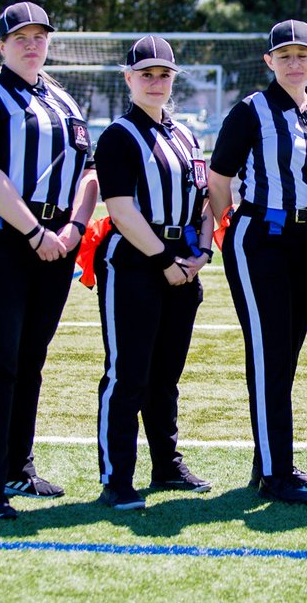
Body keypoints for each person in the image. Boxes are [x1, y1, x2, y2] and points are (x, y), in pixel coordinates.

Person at [0, 1, 98, 519]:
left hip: (56, 240)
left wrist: (74, 228)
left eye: (40, 36)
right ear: (2, 46)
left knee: (30, 358)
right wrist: (34, 230)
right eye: (22, 37)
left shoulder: (63, 100)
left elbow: (88, 171)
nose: (33, 45)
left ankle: (18, 466)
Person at [207, 19, 307, 505]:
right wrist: (231, 229)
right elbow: (219, 180)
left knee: (285, 354)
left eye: (303, 55)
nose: (294, 63)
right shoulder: (250, 112)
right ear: (269, 61)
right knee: (269, 356)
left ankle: (270, 460)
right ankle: (275, 471)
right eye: (284, 56)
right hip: (261, 237)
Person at [92, 36, 215, 511]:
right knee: (129, 374)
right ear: (129, 79)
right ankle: (117, 477)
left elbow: (205, 202)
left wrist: (201, 253)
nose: (156, 82)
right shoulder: (118, 136)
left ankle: (166, 464)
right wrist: (164, 261)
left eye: (164, 74)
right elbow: (121, 210)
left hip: (184, 262)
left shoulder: (186, 134)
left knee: (166, 374)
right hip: (137, 264)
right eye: (146, 74)